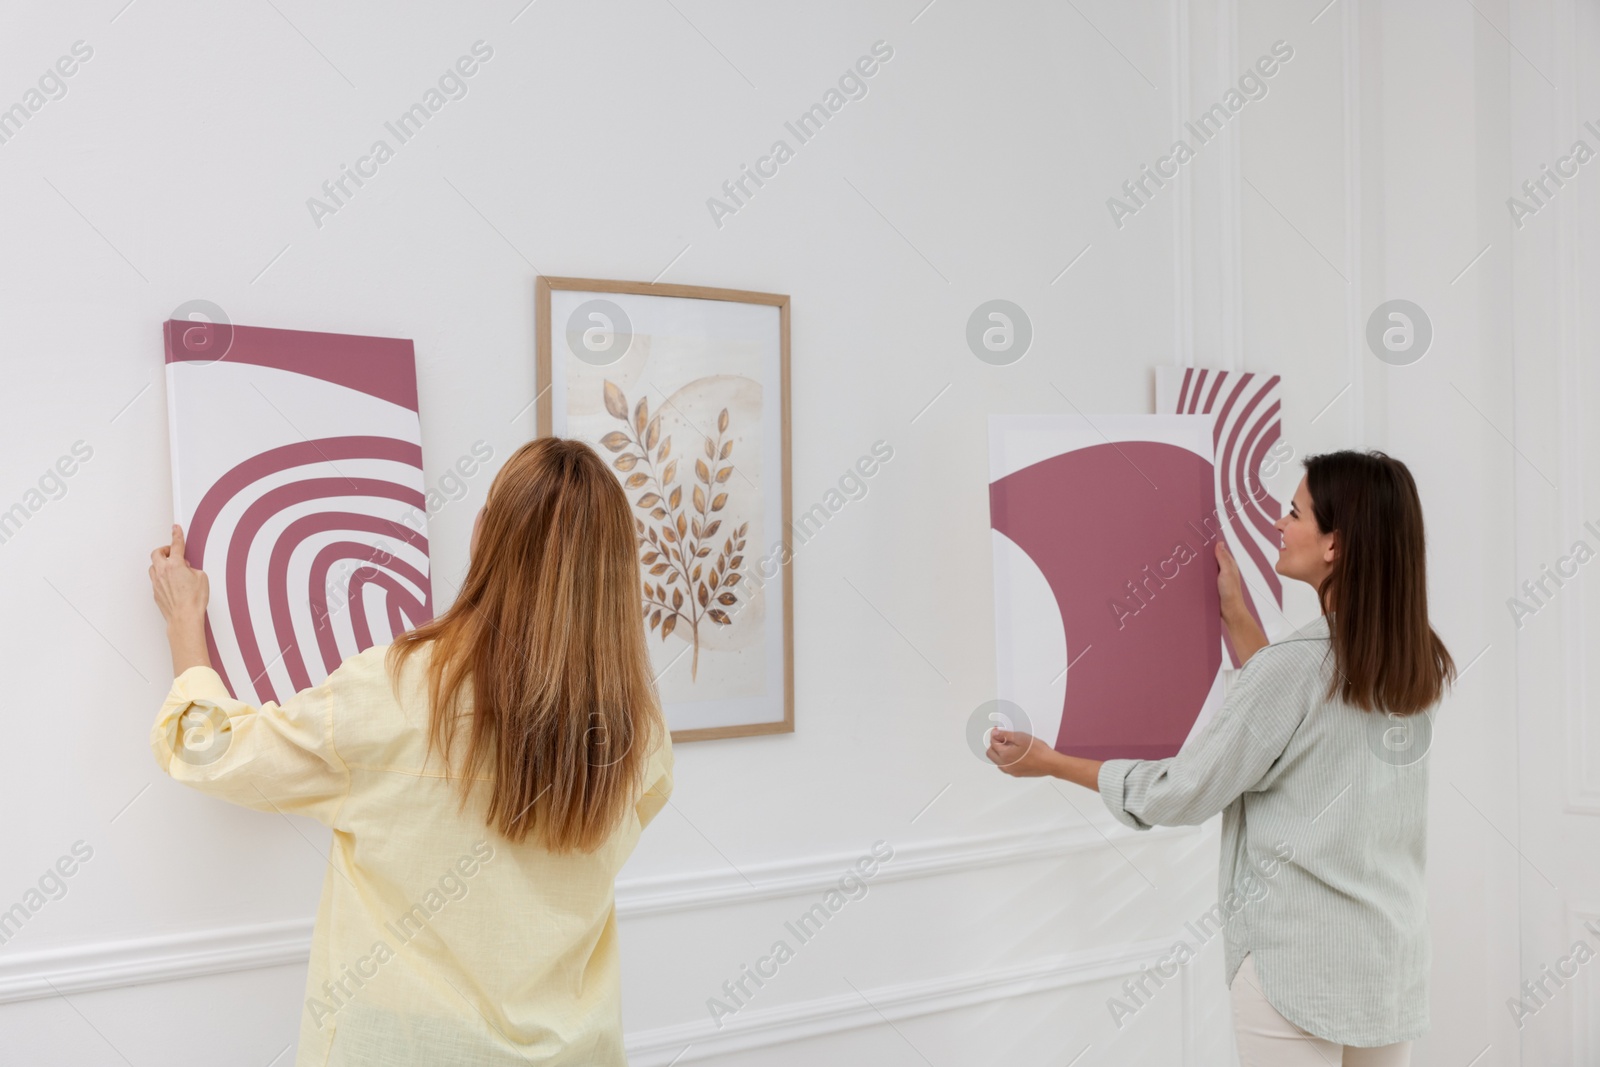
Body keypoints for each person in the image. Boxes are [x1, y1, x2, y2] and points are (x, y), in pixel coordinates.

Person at [147, 437, 673, 1066]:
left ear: (484, 533)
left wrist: (184, 619)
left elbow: (209, 750)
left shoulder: (392, 691)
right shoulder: (636, 731)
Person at [987, 449, 1454, 1067]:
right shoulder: (1411, 659)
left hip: (1296, 965)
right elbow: (1301, 727)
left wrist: (1051, 761)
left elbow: (1179, 792)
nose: (1279, 525)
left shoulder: (1294, 668)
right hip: (1388, 962)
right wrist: (1237, 618)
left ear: (1335, 545)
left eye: (1294, 512)